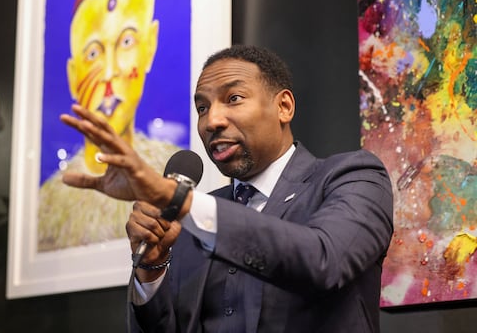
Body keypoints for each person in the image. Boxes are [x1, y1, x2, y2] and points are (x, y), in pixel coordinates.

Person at [60, 44, 394, 332]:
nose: (211, 121)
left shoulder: (353, 176)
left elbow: (325, 260)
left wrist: (180, 201)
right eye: (202, 107)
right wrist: (152, 266)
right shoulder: (190, 220)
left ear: (284, 107)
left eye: (233, 98)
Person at [38, 0, 180, 250]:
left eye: (127, 41)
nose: (109, 72)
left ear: (149, 47)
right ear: (74, 75)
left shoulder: (174, 171)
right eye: (93, 52)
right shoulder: (48, 205)